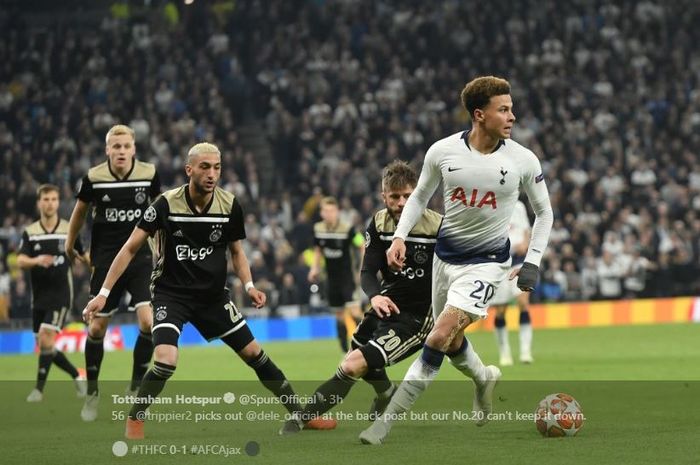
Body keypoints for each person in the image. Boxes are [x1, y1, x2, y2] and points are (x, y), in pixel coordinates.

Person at [82, 142, 335, 440]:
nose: (212, 173)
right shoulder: (165, 204)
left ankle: (300, 414)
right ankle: (136, 418)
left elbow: (237, 253)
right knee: (165, 359)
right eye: (205, 167)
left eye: (217, 167)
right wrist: (103, 292)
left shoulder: (229, 205)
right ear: (189, 169)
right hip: (171, 295)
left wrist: (249, 285)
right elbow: (129, 249)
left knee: (255, 354)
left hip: (213, 298)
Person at [359, 76, 553, 445]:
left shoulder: (523, 160)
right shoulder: (443, 152)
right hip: (443, 260)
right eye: (504, 109)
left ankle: (383, 424)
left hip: (486, 263)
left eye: (511, 108)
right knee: (449, 342)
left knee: (439, 334)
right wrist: (399, 236)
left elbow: (544, 213)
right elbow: (418, 197)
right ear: (480, 115)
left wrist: (533, 261)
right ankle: (483, 378)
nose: (513, 115)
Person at [280, 161, 441, 434]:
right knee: (355, 349)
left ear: (418, 194)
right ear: (384, 196)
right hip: (387, 304)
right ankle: (386, 392)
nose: (401, 203)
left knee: (352, 363)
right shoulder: (378, 222)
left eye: (407, 196)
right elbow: (368, 270)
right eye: (394, 196)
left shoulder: (437, 226)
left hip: (418, 315)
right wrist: (375, 296)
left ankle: (302, 419)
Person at [66, 124, 161, 421]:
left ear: (134, 148)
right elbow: (79, 213)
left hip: (141, 259)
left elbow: (159, 212)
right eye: (115, 147)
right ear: (107, 149)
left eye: (126, 146)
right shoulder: (94, 178)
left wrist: (161, 249)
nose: (121, 151)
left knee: (148, 323)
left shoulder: (149, 174)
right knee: (96, 330)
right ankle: (92, 395)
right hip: (106, 262)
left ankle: (135, 386)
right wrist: (72, 245)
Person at [18, 184, 88, 402]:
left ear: (58, 202)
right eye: (46, 199)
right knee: (45, 345)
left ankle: (38, 390)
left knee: (47, 339)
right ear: (39, 203)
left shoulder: (69, 229)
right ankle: (77, 375)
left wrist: (95, 268)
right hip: (38, 297)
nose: (50, 203)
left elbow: (83, 254)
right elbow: (20, 260)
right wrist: (37, 260)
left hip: (60, 295)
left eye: (54, 199)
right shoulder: (30, 232)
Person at [308, 196, 364, 352]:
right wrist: (314, 268)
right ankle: (345, 350)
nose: (329, 214)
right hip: (331, 279)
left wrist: (362, 268)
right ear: (321, 213)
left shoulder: (348, 229)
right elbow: (318, 250)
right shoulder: (318, 229)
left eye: (332, 211)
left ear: (337, 212)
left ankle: (368, 340)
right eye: (326, 211)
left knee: (354, 312)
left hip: (347, 278)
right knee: (339, 315)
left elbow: (362, 245)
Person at [489, 199, 534, 366]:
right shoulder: (490, 205)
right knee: (501, 310)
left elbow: (526, 230)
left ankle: (525, 351)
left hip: (519, 260)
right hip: (500, 263)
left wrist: (526, 242)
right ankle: (505, 352)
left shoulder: (518, 206)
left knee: (523, 301)